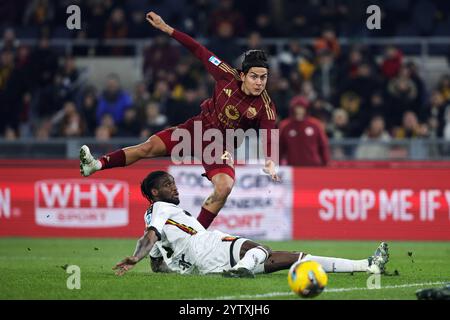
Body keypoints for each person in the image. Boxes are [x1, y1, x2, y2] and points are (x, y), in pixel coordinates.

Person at [80, 11, 279, 230]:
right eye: (254, 76)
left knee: (224, 188)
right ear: (242, 75)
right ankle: (96, 164)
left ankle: (195, 237)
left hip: (219, 146)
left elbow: (269, 134)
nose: (259, 82)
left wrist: (270, 160)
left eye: (263, 77)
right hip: (195, 130)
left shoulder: (265, 107)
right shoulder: (226, 74)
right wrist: (168, 29)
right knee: (146, 148)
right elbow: (199, 50)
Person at [112, 171, 390, 278]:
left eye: (172, 181)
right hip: (206, 246)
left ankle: (366, 265)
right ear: (154, 193)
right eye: (165, 185)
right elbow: (148, 237)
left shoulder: (161, 217)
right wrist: (136, 256)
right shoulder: (159, 209)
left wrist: (178, 269)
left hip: (200, 266)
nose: (173, 186)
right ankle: (242, 269)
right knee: (261, 249)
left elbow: (158, 264)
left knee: (290, 259)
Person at [279, 96, 330, 166]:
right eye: (297, 108)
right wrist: (276, 164)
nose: (299, 110)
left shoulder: (315, 124)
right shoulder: (284, 125)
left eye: (302, 108)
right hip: (293, 167)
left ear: (306, 109)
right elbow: (280, 147)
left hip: (313, 166)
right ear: (293, 109)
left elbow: (323, 145)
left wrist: (326, 162)